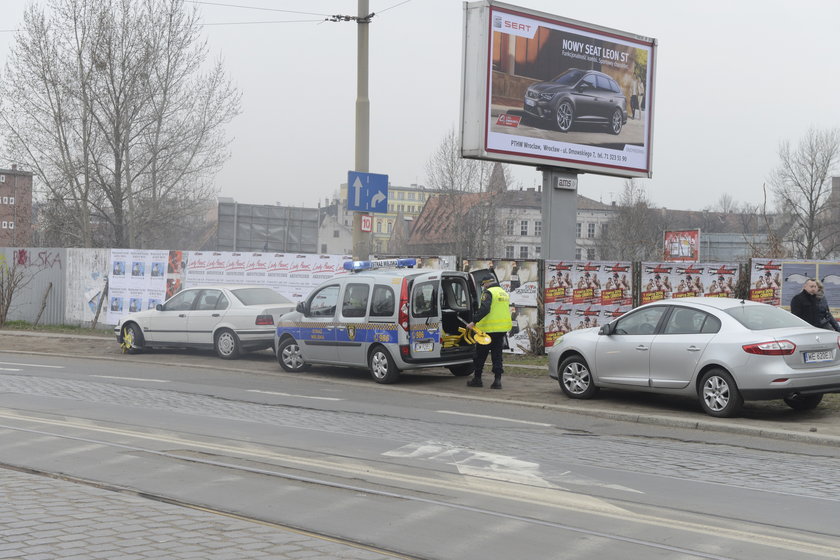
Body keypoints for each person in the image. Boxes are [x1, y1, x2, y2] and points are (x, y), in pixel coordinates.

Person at [466, 276, 512, 390]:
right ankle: (497, 381)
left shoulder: (489, 292)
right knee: (497, 355)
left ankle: (477, 379)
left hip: (488, 330)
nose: (483, 287)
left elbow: (485, 309)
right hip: (501, 329)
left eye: (483, 284)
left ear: (487, 283)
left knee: (480, 355)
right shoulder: (503, 293)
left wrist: (474, 321)